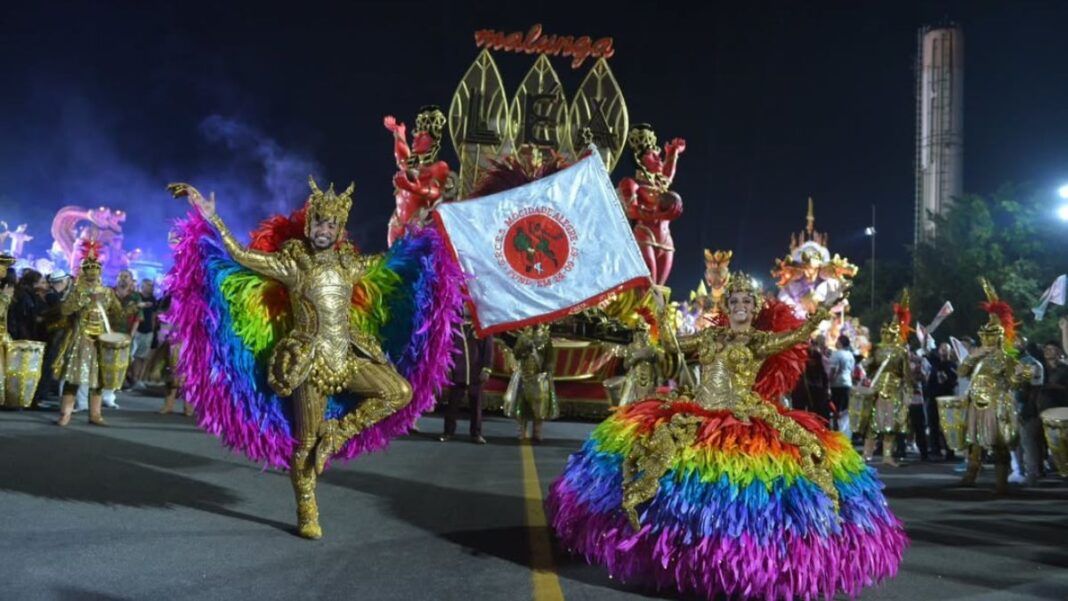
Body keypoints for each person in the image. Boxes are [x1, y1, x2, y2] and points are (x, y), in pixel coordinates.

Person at [546, 273, 906, 601]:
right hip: (697, 414)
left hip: (743, 417)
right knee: (660, 474)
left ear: (755, 309)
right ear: (726, 307)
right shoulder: (709, 336)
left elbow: (796, 336)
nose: (740, 308)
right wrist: (659, 313)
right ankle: (676, 560)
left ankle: (734, 567)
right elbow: (672, 347)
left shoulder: (760, 340)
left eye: (746, 303)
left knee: (749, 491)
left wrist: (824, 309)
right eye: (734, 303)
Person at [169, 179, 462, 539]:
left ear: (339, 231)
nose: (324, 230)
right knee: (306, 446)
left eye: (331, 225)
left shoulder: (349, 265)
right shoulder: (293, 264)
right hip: (308, 365)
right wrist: (214, 220)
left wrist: (418, 225)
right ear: (310, 226)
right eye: (319, 222)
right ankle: (307, 508)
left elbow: (390, 258)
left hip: (347, 358)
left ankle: (337, 434)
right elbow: (242, 257)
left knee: (398, 391)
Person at [958, 279, 1032, 494]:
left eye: (991, 335)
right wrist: (973, 357)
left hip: (997, 405)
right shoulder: (977, 354)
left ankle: (1001, 483)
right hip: (976, 403)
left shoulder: (1005, 358)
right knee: (975, 443)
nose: (987, 339)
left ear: (999, 336)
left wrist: (1023, 376)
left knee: (998, 445)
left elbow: (1013, 382)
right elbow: (962, 373)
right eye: (985, 335)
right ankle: (970, 476)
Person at [53, 244, 126, 427]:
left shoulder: (108, 292)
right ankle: (65, 414)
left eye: (96, 271)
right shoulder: (77, 291)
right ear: (84, 273)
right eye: (89, 271)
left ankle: (95, 414)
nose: (93, 275)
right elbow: (65, 309)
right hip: (80, 339)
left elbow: (118, 313)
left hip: (101, 342)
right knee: (73, 378)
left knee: (99, 379)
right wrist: (83, 300)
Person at [857, 296, 912, 466]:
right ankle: (866, 455)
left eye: (890, 332)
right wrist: (866, 364)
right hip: (877, 388)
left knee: (891, 423)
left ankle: (888, 456)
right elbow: (869, 367)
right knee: (873, 423)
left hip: (894, 389)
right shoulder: (877, 349)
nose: (887, 335)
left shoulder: (901, 351)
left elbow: (906, 374)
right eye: (885, 332)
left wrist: (908, 392)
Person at [439, 317, 493, 444]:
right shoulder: (455, 326)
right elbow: (447, 348)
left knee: (476, 405)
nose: (467, 308)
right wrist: (448, 367)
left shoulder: (483, 326)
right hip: (458, 371)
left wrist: (487, 369)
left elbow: (488, 350)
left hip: (476, 373)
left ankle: (476, 434)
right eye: (465, 305)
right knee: (452, 404)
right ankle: (448, 432)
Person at [503, 323, 557, 442]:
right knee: (521, 404)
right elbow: (516, 354)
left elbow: (550, 358)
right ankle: (521, 431)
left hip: (539, 377)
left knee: (540, 405)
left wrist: (547, 371)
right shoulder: (523, 337)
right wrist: (524, 350)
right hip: (524, 375)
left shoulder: (546, 339)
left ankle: (537, 431)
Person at [926, 342, 959, 461]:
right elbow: (926, 351)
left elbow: (954, 381)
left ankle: (950, 452)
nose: (944, 350)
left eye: (947, 349)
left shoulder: (952, 365)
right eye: (942, 348)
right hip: (934, 398)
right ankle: (936, 451)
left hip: (947, 399)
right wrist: (924, 338)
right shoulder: (934, 362)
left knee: (948, 426)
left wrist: (947, 378)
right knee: (933, 426)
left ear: (950, 351)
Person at [791, 333, 831, 419]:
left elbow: (824, 383)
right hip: (805, 394)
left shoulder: (818, 370)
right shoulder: (804, 369)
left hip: (815, 398)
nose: (811, 362)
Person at [128, 278, 158, 389]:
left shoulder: (153, 300)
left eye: (152, 285)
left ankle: (138, 379)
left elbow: (154, 316)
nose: (151, 287)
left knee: (142, 356)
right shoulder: (136, 297)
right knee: (133, 355)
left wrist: (153, 330)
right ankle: (131, 378)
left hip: (148, 331)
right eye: (149, 285)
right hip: (136, 330)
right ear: (142, 286)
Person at [829, 333, 855, 436]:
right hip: (847, 383)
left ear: (840, 343)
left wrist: (829, 381)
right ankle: (845, 430)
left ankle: (836, 429)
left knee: (836, 408)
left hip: (837, 384)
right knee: (845, 409)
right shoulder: (850, 355)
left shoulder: (836, 354)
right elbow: (852, 371)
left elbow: (834, 370)